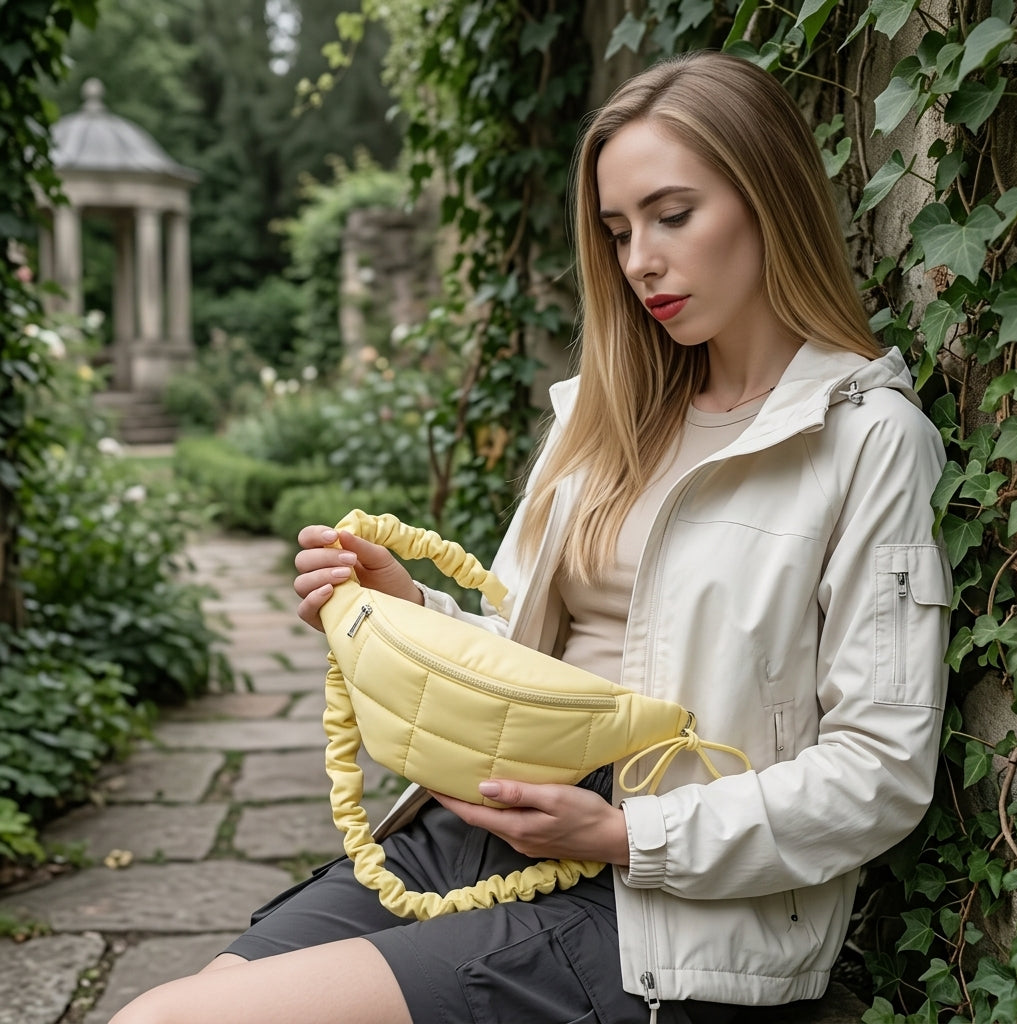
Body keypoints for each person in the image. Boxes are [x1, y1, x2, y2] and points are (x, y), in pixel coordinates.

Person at [110, 50, 951, 1024]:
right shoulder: (607, 411)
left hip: (661, 916)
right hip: (489, 821)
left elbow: (879, 770)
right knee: (187, 1003)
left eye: (672, 216)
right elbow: (524, 660)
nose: (639, 259)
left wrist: (626, 831)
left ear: (771, 199)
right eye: (618, 229)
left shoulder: (866, 438)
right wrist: (409, 609)